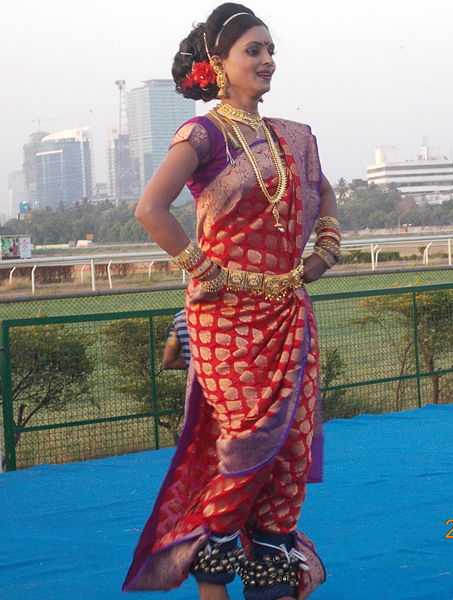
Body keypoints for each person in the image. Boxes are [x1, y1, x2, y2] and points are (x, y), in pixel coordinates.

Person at [122, 5, 339, 599]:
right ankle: (211, 576)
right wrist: (201, 267)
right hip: (226, 319)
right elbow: (150, 209)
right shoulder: (203, 135)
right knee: (246, 441)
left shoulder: (294, 137)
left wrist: (327, 247)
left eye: (271, 50)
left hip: (290, 311)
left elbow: (324, 194)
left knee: (290, 446)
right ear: (218, 63)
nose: (267, 61)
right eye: (253, 50)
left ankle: (271, 575)